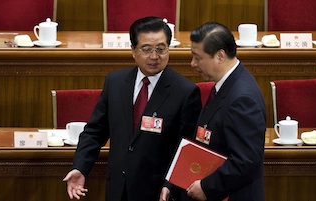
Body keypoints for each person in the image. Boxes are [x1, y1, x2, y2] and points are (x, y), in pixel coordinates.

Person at [63, 16, 202, 201]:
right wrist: (80, 167)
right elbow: (94, 132)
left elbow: (187, 149)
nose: (154, 56)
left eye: (161, 49)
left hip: (157, 192)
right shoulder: (115, 82)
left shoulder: (185, 91)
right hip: (117, 188)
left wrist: (171, 185)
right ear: (133, 51)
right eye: (146, 49)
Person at [161, 22, 266, 201]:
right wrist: (173, 181)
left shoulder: (242, 98)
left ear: (219, 56)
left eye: (197, 57)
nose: (192, 63)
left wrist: (207, 187)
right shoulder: (226, 85)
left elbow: (245, 161)